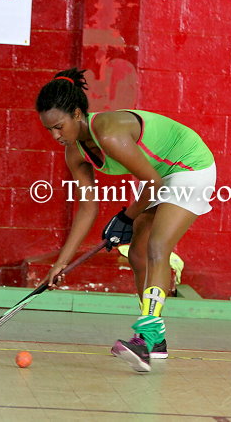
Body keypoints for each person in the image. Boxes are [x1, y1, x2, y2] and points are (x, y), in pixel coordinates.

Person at [35, 67, 216, 372]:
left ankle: (146, 338)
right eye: (49, 130)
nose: (55, 136)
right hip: (160, 176)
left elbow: (153, 182)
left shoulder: (108, 133)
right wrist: (60, 265)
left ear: (77, 114)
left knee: (157, 246)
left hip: (189, 165)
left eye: (59, 127)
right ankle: (156, 338)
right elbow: (87, 208)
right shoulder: (75, 153)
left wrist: (127, 217)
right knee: (137, 253)